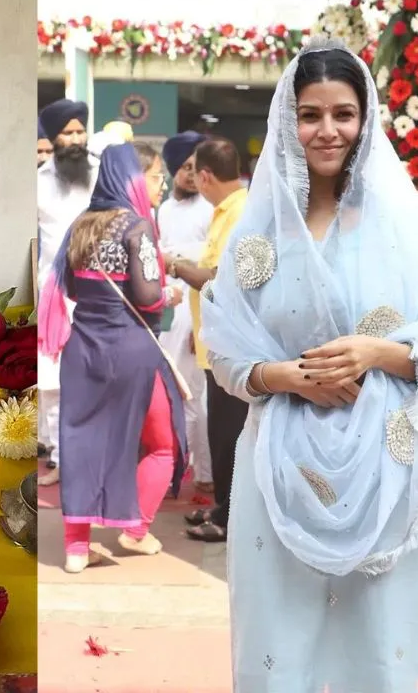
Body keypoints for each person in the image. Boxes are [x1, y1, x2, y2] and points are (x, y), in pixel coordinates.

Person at [201, 41, 418, 690]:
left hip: (382, 477)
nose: (327, 130)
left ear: (366, 122)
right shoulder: (262, 234)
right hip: (278, 471)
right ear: (289, 120)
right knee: (280, 647)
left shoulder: (406, 229)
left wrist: (378, 353)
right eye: (311, 114)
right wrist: (283, 377)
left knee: (377, 654)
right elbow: (225, 348)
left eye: (343, 113)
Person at [38, 143, 188, 570]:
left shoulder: (81, 225)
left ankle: (76, 549)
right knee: (163, 444)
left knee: (82, 441)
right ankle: (135, 529)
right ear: (133, 179)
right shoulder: (137, 227)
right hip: (131, 350)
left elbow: (65, 284)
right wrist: (171, 294)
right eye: (157, 175)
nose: (162, 184)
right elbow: (147, 297)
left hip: (83, 350)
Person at [167, 136, 249, 543]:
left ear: (204, 175)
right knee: (220, 432)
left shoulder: (241, 212)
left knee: (229, 435)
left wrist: (175, 266)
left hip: (232, 344)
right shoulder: (225, 210)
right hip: (215, 344)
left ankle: (231, 517)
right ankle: (223, 506)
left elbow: (221, 277)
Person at [36, 99, 98, 486]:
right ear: (53, 137)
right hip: (55, 296)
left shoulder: (101, 176)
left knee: (94, 378)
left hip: (99, 293)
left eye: (80, 131)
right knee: (55, 383)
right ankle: (59, 458)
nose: (76, 139)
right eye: (68, 132)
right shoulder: (38, 183)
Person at [156, 132, 215, 496]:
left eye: (198, 168)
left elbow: (211, 274)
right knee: (174, 394)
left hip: (199, 313)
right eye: (186, 167)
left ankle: (205, 473)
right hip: (171, 312)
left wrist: (202, 325)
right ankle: (182, 466)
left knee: (196, 397)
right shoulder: (163, 210)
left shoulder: (209, 210)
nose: (192, 175)